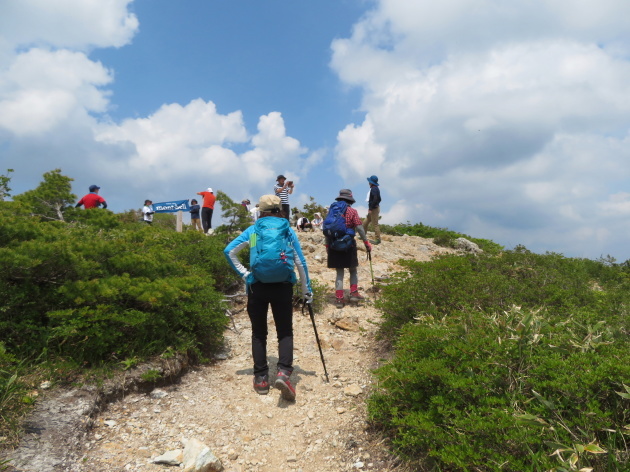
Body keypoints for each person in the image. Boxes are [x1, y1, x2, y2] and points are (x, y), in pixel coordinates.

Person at [224, 195, 312, 401]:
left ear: (260, 211)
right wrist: (306, 289)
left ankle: (261, 378)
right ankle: (283, 372)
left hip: (257, 286)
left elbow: (229, 251)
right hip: (283, 286)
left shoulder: (254, 231)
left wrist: (245, 275)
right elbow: (300, 262)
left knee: (258, 333)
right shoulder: (287, 230)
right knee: (284, 332)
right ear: (278, 209)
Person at [325, 189, 372, 308]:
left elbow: (327, 230)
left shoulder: (331, 211)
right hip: (348, 244)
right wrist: (366, 242)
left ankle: (339, 299)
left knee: (339, 272)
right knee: (353, 269)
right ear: (350, 199)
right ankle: (354, 294)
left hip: (333, 244)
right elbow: (360, 228)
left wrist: (327, 245)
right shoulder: (352, 211)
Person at [362, 175, 382, 244]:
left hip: (374, 209)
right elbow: (379, 199)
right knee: (365, 222)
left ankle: (378, 239)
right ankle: (363, 235)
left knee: (375, 224)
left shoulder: (374, 189)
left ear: (371, 182)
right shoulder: (376, 188)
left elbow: (375, 199)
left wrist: (371, 208)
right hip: (374, 208)